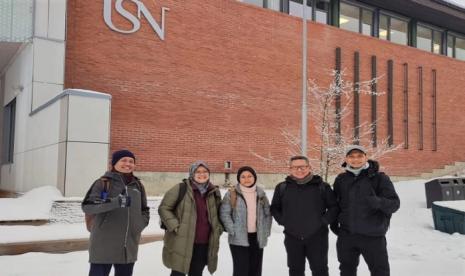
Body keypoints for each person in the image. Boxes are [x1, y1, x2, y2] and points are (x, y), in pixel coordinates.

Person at [331, 145, 400, 276]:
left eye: (359, 156)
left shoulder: (379, 178)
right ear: (346, 159)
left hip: (373, 236)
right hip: (347, 236)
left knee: (380, 272)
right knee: (346, 271)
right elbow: (336, 204)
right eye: (351, 156)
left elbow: (395, 204)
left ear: (366, 158)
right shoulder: (341, 179)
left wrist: (378, 202)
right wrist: (334, 224)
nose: (355, 160)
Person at [82, 149, 150, 276]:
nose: (128, 164)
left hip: (128, 245)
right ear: (114, 163)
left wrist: (139, 224)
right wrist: (115, 202)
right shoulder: (103, 183)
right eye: (123, 160)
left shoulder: (137, 185)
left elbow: (144, 209)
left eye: (131, 161)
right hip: (103, 244)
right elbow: (88, 206)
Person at [271, 155, 339, 276]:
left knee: (320, 270)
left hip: (318, 237)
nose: (299, 170)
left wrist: (323, 221)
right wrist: (283, 221)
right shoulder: (282, 187)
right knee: (295, 270)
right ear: (290, 169)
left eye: (303, 166)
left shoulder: (322, 186)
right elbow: (275, 208)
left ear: (309, 167)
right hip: (292, 237)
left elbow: (334, 207)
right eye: (295, 167)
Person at [158, 161, 223, 276]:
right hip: (181, 241)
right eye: (198, 172)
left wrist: (218, 229)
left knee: (197, 272)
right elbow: (164, 208)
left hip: (203, 242)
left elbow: (219, 214)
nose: (201, 174)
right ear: (192, 173)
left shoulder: (213, 192)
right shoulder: (180, 188)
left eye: (205, 171)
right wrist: (175, 226)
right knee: (178, 272)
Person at [220, 166, 272, 276]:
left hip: (257, 237)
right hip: (238, 238)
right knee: (241, 270)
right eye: (243, 177)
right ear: (239, 178)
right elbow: (224, 213)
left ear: (255, 178)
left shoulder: (261, 194)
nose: (246, 179)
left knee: (256, 269)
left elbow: (268, 214)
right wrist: (233, 230)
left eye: (249, 176)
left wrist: (266, 231)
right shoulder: (232, 194)